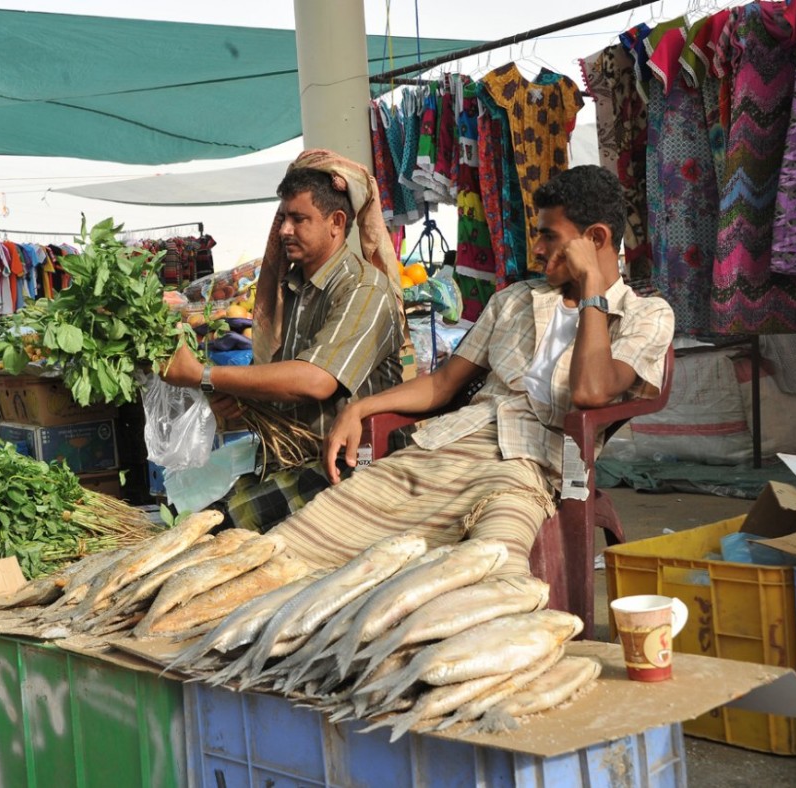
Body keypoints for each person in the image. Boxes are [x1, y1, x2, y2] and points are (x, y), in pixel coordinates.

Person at [267, 165, 675, 577]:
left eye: (549, 236)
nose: (535, 248)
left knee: (487, 573)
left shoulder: (646, 316)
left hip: (528, 469)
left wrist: (591, 290)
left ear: (597, 240)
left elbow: (591, 391)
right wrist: (359, 409)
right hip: (448, 447)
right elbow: (444, 384)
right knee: (303, 541)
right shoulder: (515, 300)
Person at [162, 150, 405, 532]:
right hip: (293, 459)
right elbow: (286, 384)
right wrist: (244, 402)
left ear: (337, 223)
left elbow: (315, 380)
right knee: (187, 518)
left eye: (299, 219)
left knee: (216, 530)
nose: (284, 230)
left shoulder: (364, 289)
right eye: (283, 218)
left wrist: (204, 375)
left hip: (350, 467)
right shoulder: (292, 289)